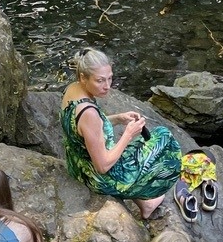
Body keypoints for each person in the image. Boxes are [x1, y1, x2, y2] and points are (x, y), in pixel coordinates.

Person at [61, 47, 187, 219]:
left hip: (77, 164)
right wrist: (128, 134)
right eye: (100, 81)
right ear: (83, 77)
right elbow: (103, 166)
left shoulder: (73, 89)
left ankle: (145, 203)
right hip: (97, 177)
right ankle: (148, 193)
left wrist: (119, 118)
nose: (107, 86)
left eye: (110, 78)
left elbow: (86, 128)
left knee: (138, 147)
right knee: (163, 137)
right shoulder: (89, 113)